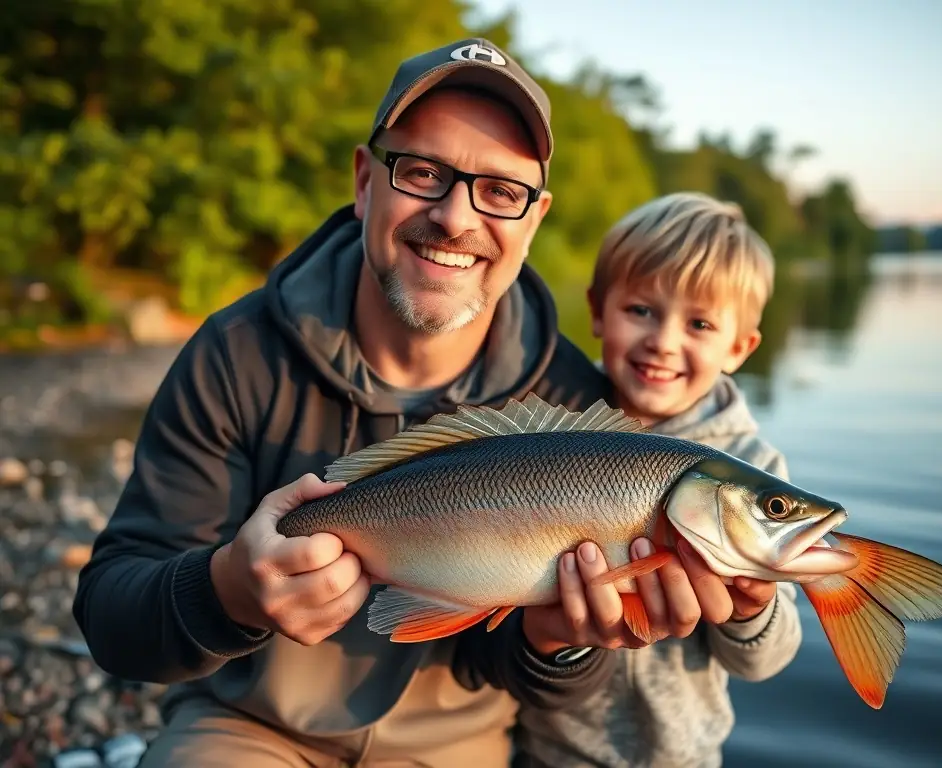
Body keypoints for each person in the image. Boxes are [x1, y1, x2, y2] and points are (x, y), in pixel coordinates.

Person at [72, 41, 741, 768]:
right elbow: (113, 621)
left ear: (535, 218)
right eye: (422, 172)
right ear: (365, 181)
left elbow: (538, 682)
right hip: (249, 727)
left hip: (456, 745)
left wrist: (560, 640)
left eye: (500, 190)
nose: (455, 218)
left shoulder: (573, 409)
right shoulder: (237, 353)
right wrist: (229, 589)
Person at [514, 192, 805, 768]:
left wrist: (753, 606)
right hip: (548, 751)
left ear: (740, 347)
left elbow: (764, 661)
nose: (664, 341)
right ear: (598, 311)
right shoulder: (551, 430)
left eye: (699, 323)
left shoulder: (756, 471)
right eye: (641, 310)